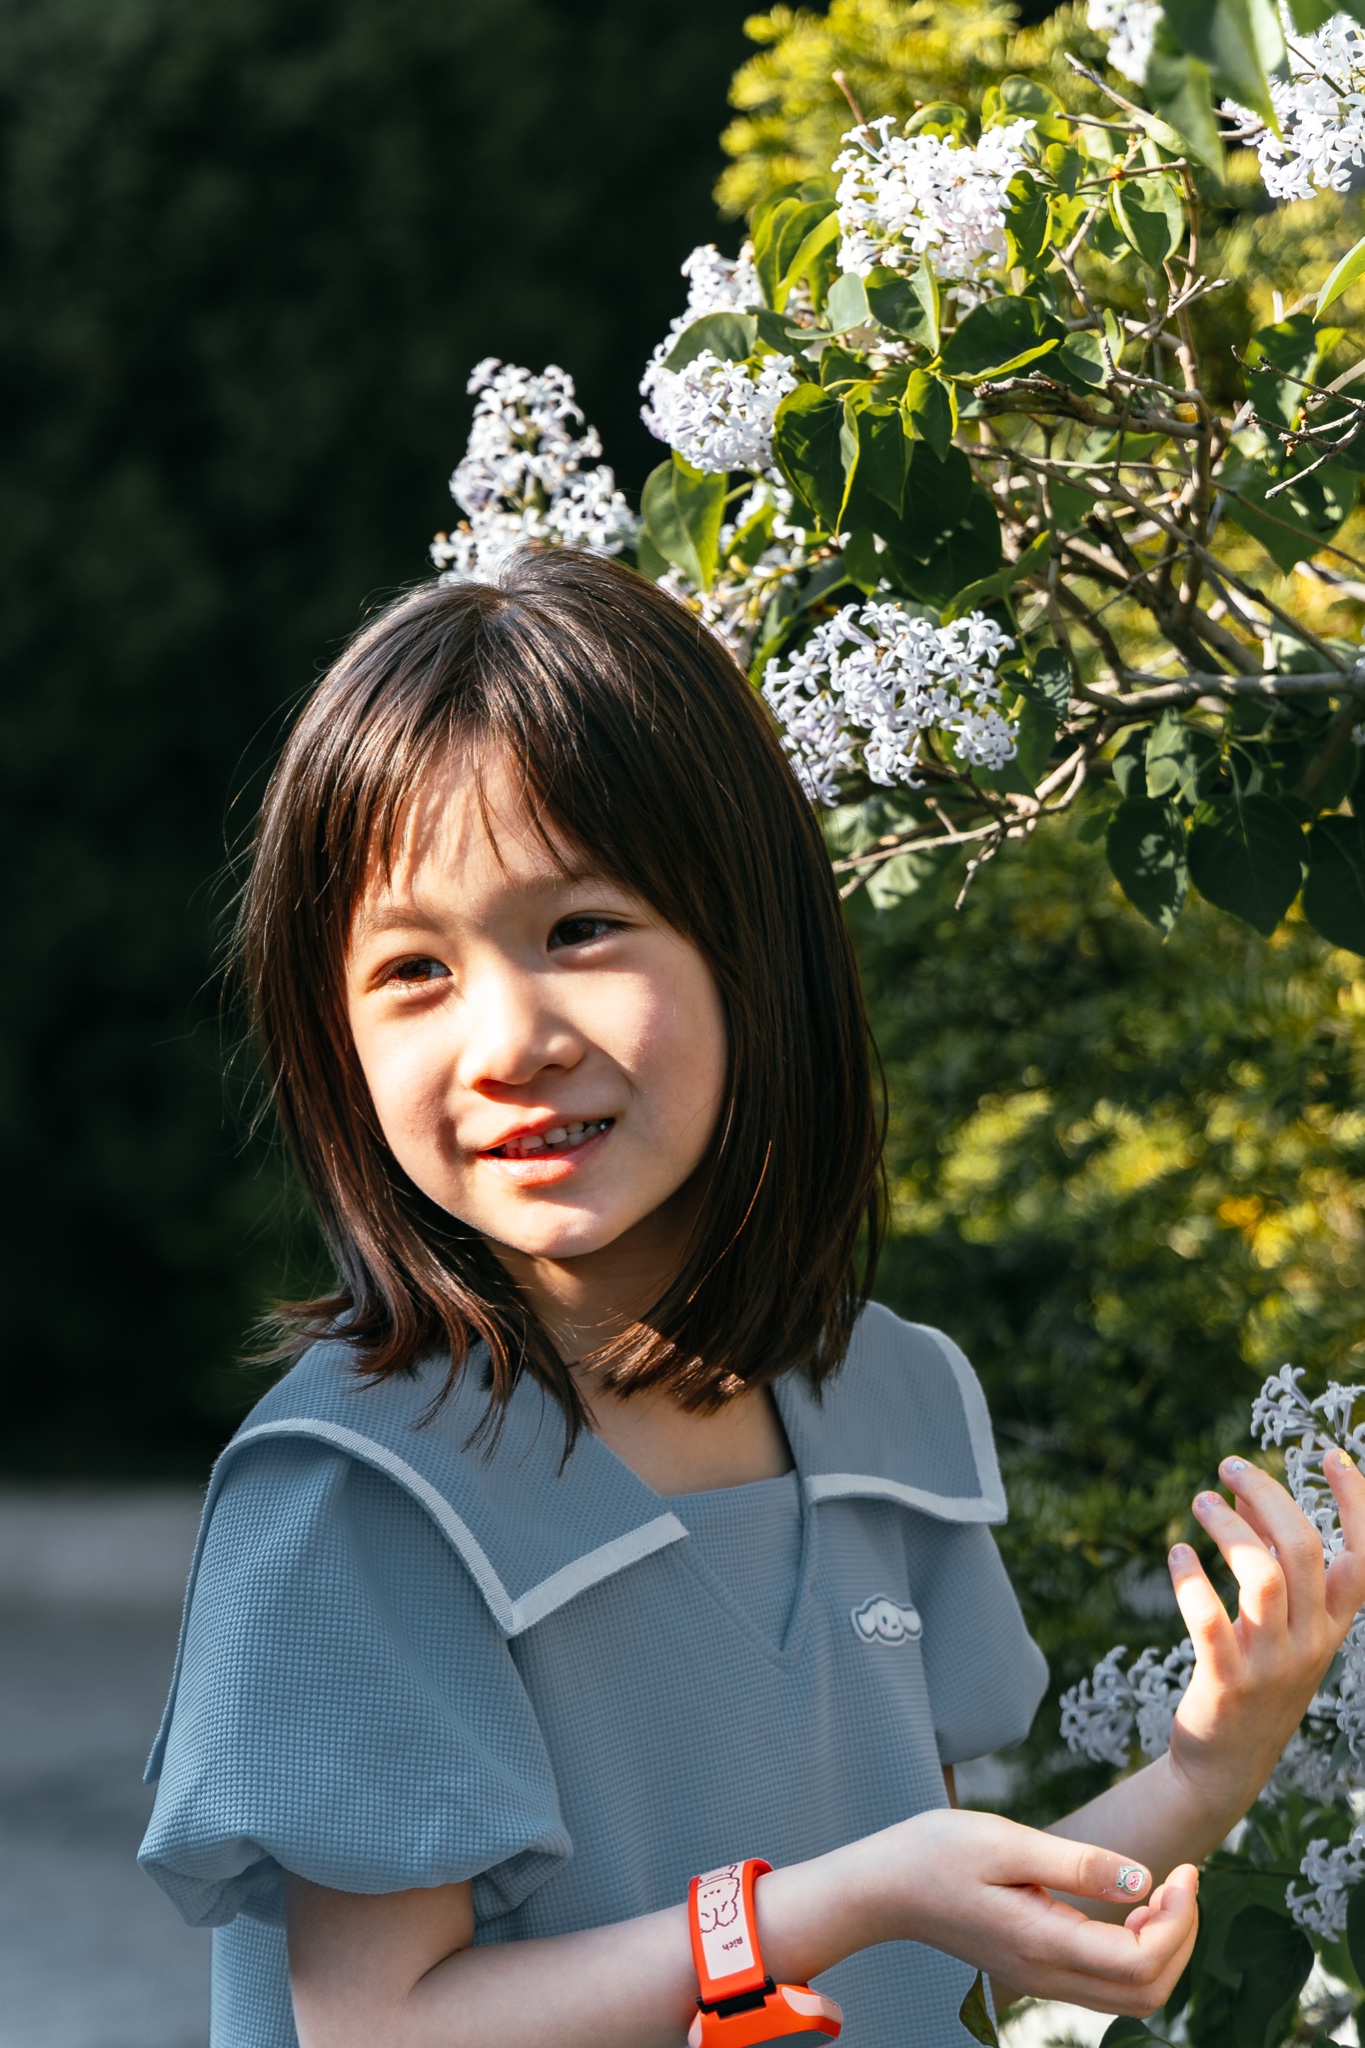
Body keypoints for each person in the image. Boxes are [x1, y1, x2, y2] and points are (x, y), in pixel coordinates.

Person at [139, 548, 1365, 2048]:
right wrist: (828, 1905)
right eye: (412, 969)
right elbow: (382, 2026)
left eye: (578, 928)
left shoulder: (889, 1401)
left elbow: (928, 1944)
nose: (508, 1037)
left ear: (753, 944)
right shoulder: (354, 1495)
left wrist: (1206, 1764)